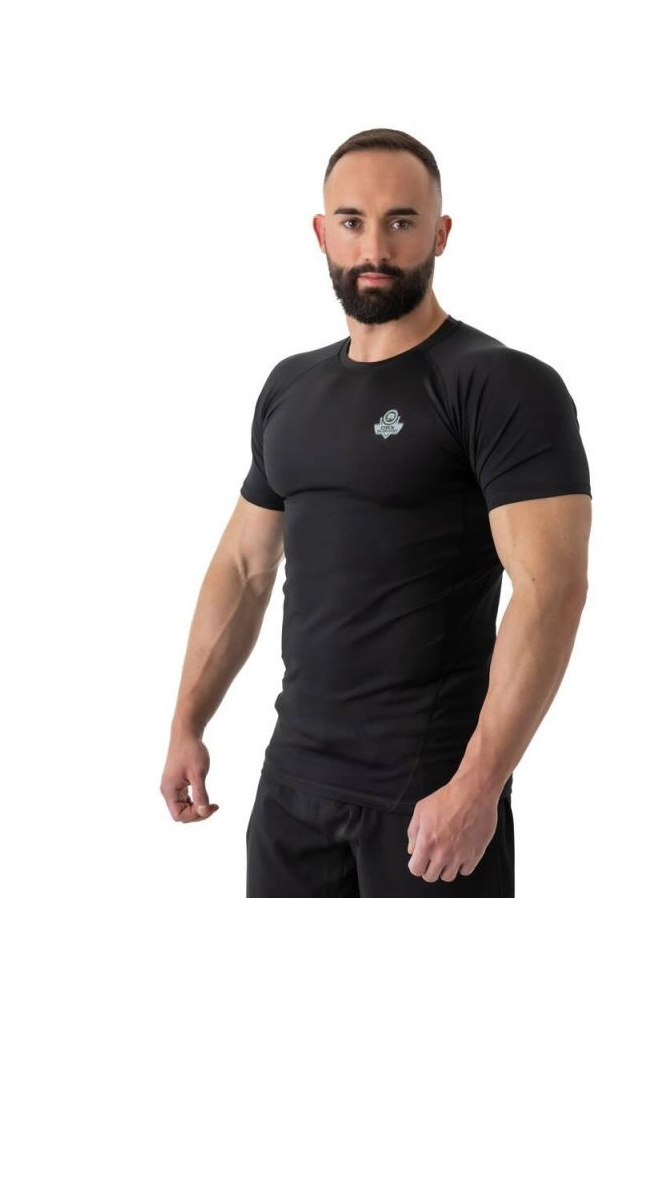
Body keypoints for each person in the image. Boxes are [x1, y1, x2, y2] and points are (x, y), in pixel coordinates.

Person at [160, 127, 593, 897]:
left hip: (428, 799)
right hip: (292, 790)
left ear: (440, 234)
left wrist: (478, 786)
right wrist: (187, 721)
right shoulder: (291, 388)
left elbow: (551, 589)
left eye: (401, 221)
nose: (375, 247)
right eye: (353, 222)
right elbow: (245, 567)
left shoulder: (500, 384)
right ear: (321, 233)